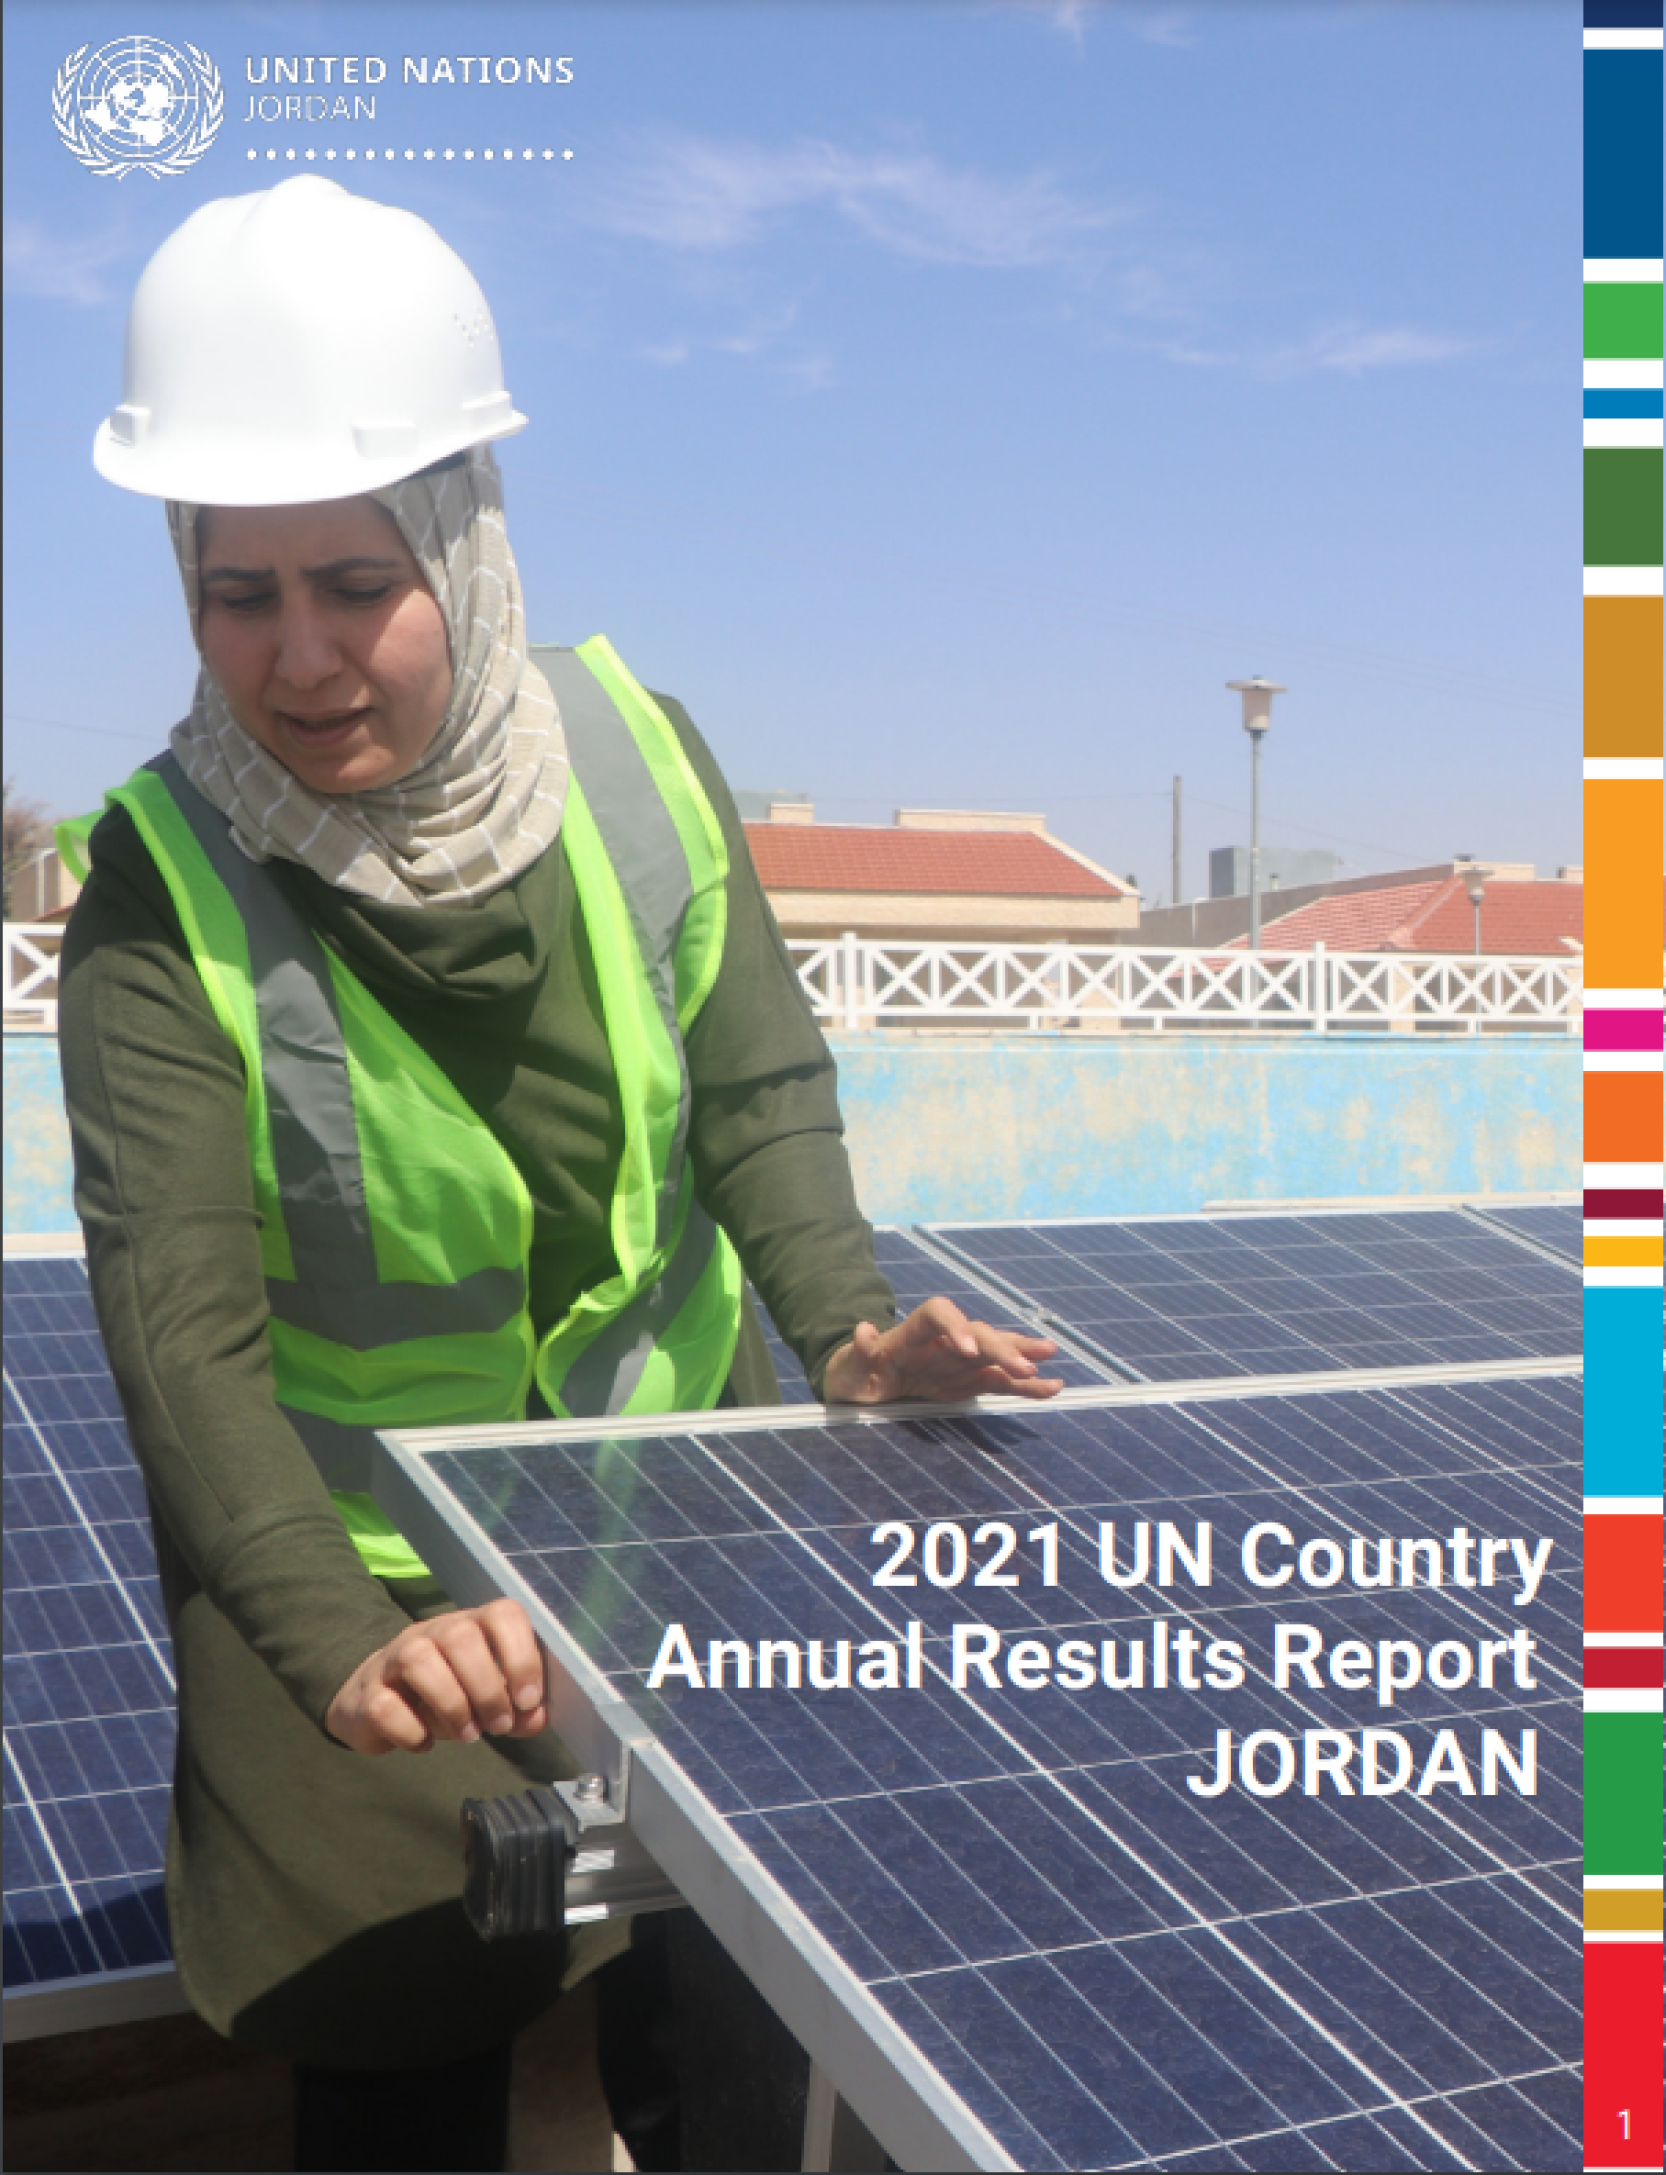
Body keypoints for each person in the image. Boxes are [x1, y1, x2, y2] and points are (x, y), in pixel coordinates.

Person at [56, 176, 1060, 2175]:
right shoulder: (156, 889)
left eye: (356, 580)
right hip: (353, 1576)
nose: (301, 655)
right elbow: (178, 1329)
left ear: (465, 544)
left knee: (736, 2000)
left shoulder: (630, 757)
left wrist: (846, 1323)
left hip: (671, 1523)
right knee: (396, 2028)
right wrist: (348, 1638)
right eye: (235, 592)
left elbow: (753, 1082)